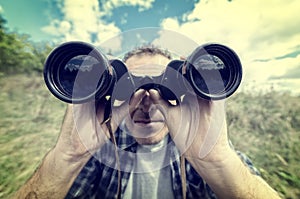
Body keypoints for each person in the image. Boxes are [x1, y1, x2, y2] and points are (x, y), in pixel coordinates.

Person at [13, 46, 281, 199]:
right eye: (131, 87)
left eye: (163, 86)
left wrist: (216, 159)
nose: (147, 101)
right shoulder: (100, 155)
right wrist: (69, 155)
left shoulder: (199, 158)